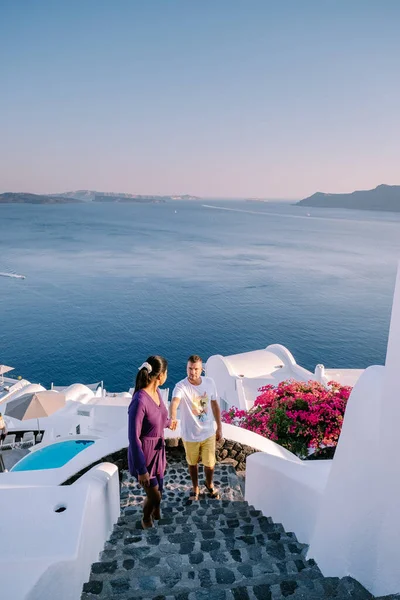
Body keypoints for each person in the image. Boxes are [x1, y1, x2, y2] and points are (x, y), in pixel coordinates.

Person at [128, 355, 177, 529]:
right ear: (160, 375)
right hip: (145, 456)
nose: (167, 375)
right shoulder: (139, 400)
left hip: (158, 452)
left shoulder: (156, 393)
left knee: (160, 490)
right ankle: (146, 518)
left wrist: (169, 423)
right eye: (166, 372)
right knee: (155, 495)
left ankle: (156, 511)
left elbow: (159, 418)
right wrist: (141, 470)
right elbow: (133, 437)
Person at [170, 354, 222, 501]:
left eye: (196, 369)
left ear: (202, 369)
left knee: (210, 464)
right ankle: (195, 487)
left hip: (208, 433)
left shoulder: (210, 383)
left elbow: (215, 405)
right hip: (190, 435)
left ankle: (209, 483)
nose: (192, 372)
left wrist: (219, 427)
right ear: (187, 368)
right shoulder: (181, 386)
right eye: (190, 368)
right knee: (192, 464)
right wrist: (173, 417)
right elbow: (174, 402)